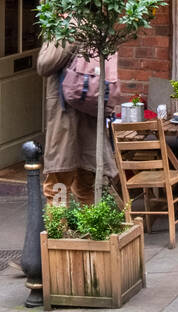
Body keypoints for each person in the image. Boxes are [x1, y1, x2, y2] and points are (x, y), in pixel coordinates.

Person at [36, 39, 117, 208]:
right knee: (85, 188)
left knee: (56, 188)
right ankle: (92, 233)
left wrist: (53, 39)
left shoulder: (68, 27)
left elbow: (44, 64)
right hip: (91, 123)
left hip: (65, 123)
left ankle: (58, 233)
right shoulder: (97, 27)